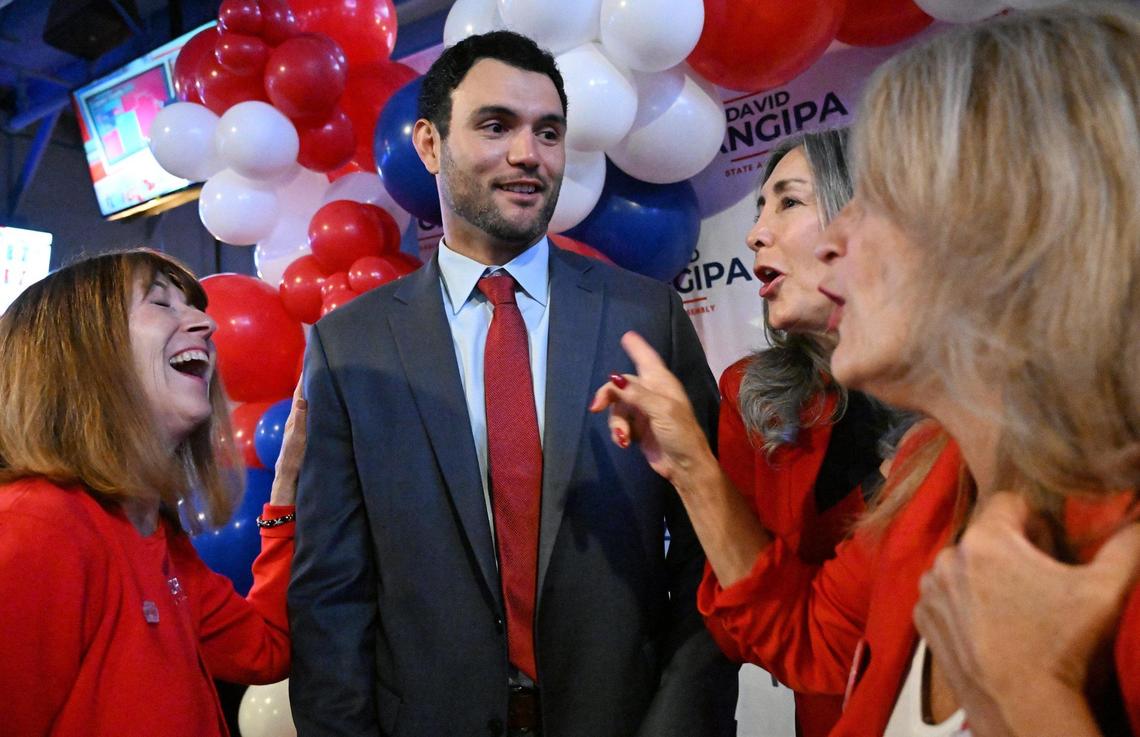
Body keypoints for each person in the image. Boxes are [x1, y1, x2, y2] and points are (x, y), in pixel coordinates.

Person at [592, 4, 1140, 736]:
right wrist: (690, 461)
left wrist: (1030, 697)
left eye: (877, 197)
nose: (834, 239)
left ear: (1012, 221)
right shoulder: (928, 474)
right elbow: (813, 640)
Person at [287, 30, 736, 737]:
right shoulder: (354, 345)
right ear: (430, 145)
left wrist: (682, 721)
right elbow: (330, 594)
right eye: (496, 126)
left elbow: (713, 547)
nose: (529, 154)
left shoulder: (644, 315)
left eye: (548, 132)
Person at [0, 249, 307, 736]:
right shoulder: (36, 526)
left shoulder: (154, 534)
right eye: (161, 303)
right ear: (81, 351)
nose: (205, 322)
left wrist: (286, 498)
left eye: (192, 306)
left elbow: (264, 651)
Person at [699, 129, 897, 737]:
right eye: (759, 208)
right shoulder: (750, 395)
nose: (755, 232)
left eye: (787, 202)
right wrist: (688, 464)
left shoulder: (974, 402)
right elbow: (756, 631)